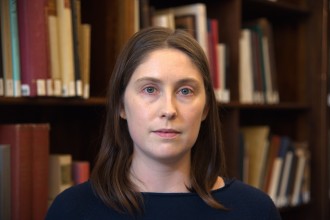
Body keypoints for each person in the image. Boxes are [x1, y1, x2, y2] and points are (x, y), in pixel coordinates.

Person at [46, 26, 281, 220]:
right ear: (120, 105)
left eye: (185, 91)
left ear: (206, 108)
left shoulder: (256, 210)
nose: (168, 110)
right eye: (150, 89)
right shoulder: (71, 210)